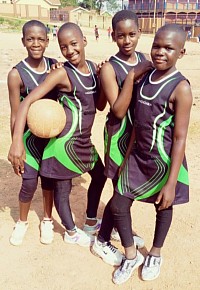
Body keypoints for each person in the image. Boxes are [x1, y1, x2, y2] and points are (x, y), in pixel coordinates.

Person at [94, 23, 192, 285]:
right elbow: (135, 121)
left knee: (164, 204)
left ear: (181, 53)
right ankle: (130, 254)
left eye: (169, 48)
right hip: (136, 156)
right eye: (157, 46)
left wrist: (171, 183)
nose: (160, 52)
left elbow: (181, 137)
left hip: (164, 161)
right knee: (118, 203)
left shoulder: (181, 87)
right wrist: (126, 157)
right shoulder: (144, 76)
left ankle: (156, 253)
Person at [8, 22, 107, 247]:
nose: (70, 50)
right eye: (64, 47)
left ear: (85, 41)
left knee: (96, 176)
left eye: (74, 44)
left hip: (73, 137)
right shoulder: (53, 73)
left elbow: (100, 105)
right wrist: (15, 142)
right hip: (51, 141)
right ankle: (56, 229)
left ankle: (81, 220)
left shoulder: (82, 67)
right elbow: (23, 106)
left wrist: (102, 76)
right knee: (46, 185)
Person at [91, 9, 153, 260]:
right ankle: (102, 240)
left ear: (139, 33)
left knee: (131, 185)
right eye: (121, 36)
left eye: (132, 34)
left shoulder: (145, 58)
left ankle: (118, 226)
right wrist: (131, 76)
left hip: (140, 135)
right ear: (113, 36)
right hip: (118, 135)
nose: (127, 41)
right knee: (120, 190)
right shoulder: (110, 68)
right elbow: (116, 110)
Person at [7, 20, 58, 246]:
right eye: (30, 39)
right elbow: (15, 114)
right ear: (23, 41)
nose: (35, 43)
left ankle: (47, 219)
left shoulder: (55, 67)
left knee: (49, 181)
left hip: (51, 139)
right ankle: (22, 221)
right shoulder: (16, 74)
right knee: (28, 183)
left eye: (40, 39)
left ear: (47, 41)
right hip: (28, 139)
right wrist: (15, 144)